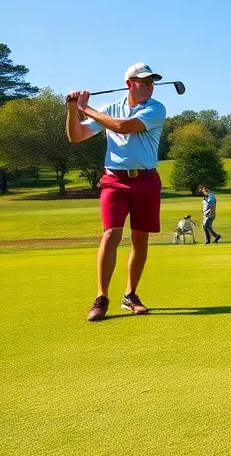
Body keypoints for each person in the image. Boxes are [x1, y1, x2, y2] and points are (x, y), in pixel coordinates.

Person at [66, 62, 168, 322]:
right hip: (114, 180)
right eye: (145, 82)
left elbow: (123, 126)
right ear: (129, 84)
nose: (151, 86)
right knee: (111, 234)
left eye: (152, 82)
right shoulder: (110, 109)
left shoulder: (155, 109)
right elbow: (76, 136)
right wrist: (72, 110)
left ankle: (130, 295)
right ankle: (102, 297)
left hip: (146, 179)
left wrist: (86, 108)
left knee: (140, 237)